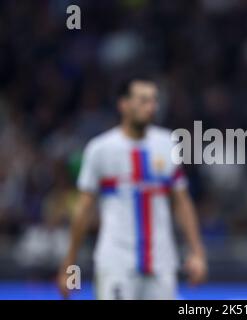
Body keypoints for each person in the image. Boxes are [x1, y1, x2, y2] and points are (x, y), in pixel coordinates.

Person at [57, 76, 207, 299]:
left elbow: (182, 202)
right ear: (123, 104)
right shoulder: (100, 149)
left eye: (154, 100)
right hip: (116, 262)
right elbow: (84, 209)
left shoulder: (168, 144)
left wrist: (197, 253)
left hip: (162, 262)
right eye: (144, 100)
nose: (151, 106)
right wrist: (70, 264)